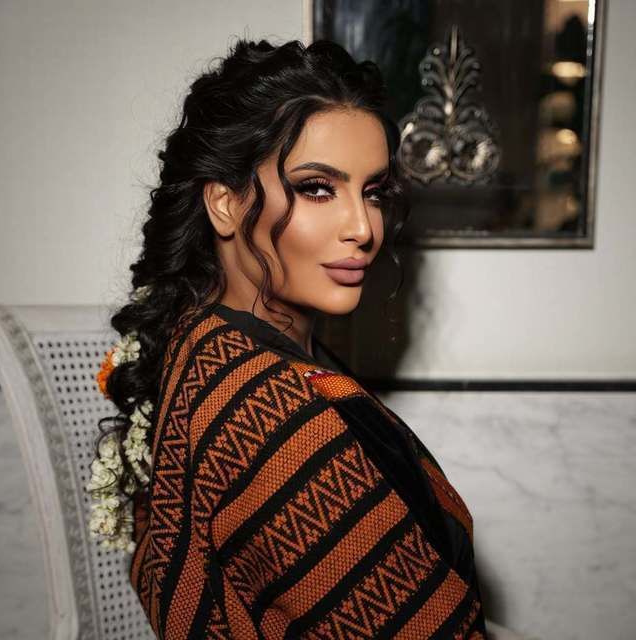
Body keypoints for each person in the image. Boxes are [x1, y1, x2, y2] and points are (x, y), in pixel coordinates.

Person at [89, 37, 488, 639]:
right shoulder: (266, 413)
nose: (363, 228)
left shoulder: (212, 346)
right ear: (225, 204)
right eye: (317, 188)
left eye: (373, 192)